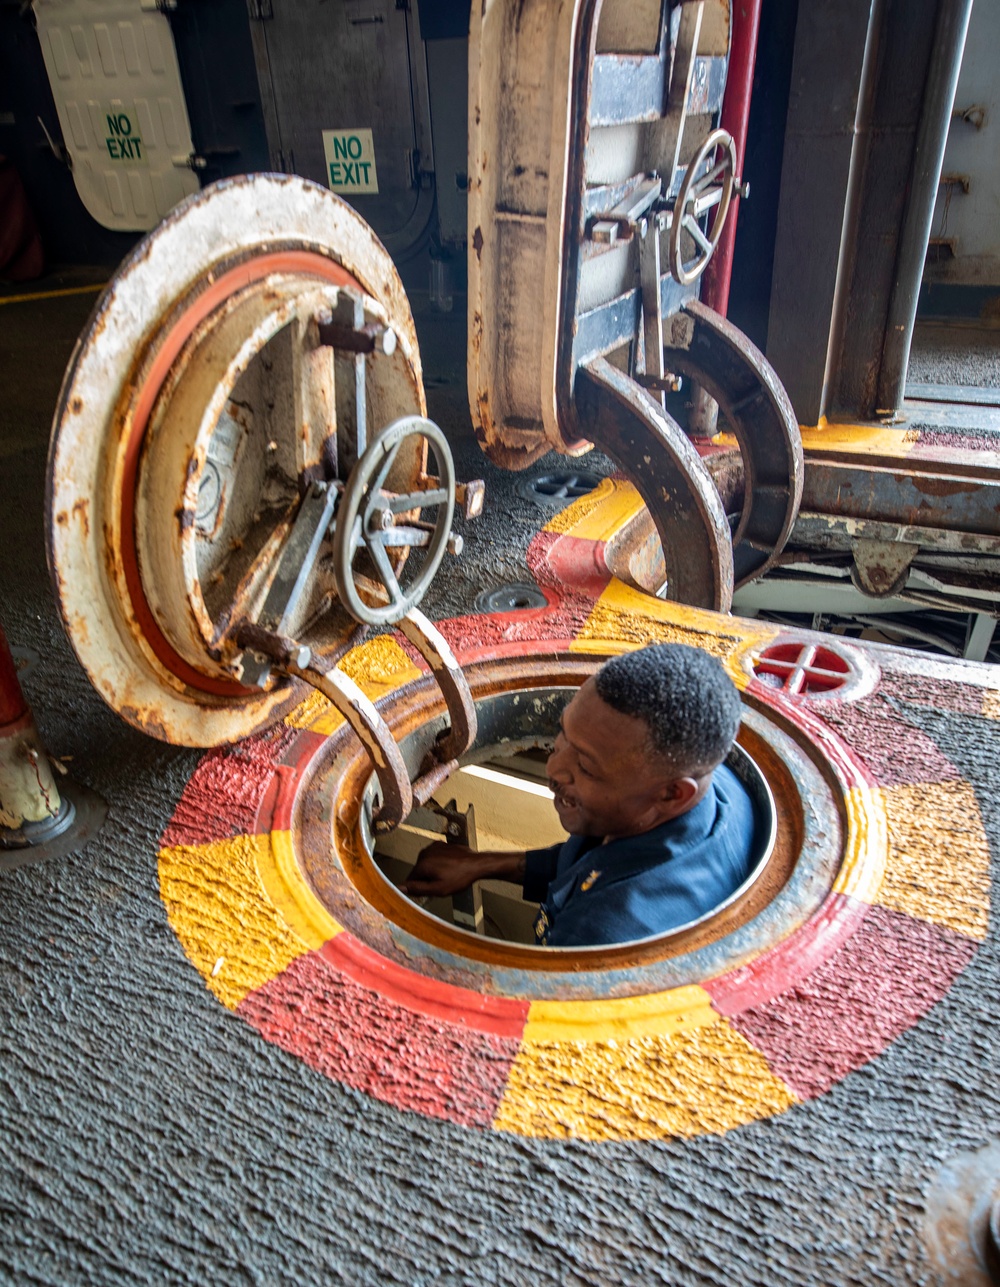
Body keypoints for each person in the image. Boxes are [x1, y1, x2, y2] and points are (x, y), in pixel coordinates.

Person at [403, 642, 758, 947]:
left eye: (587, 767)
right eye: (563, 733)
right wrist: (482, 864)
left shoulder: (610, 932)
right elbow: (593, 862)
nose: (554, 769)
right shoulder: (708, 779)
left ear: (672, 794)